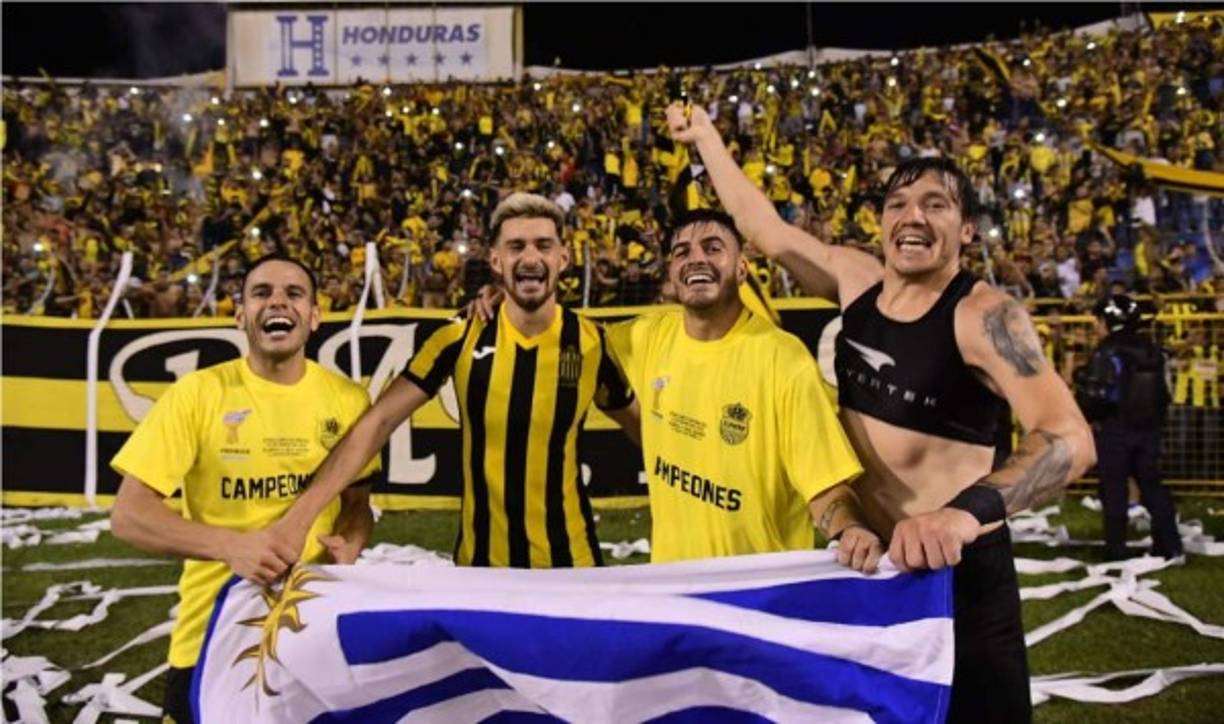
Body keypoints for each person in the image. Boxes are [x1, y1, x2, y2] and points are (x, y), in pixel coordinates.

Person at [667, 104, 1095, 723]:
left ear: (968, 231)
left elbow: (1069, 438)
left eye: (935, 204)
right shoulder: (855, 281)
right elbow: (764, 229)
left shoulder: (984, 316)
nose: (912, 216)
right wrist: (705, 136)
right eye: (898, 204)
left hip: (956, 582)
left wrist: (959, 516)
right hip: (865, 568)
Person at [268, 192, 640, 568]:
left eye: (543, 245)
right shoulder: (458, 336)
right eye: (516, 247)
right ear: (496, 260)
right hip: (481, 571)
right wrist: (299, 517)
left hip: (573, 568)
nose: (530, 257)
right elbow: (377, 423)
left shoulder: (593, 342)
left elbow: (643, 430)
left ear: (564, 258)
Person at [109, 254, 381, 724]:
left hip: (313, 630)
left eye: (294, 293)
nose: (279, 301)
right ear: (240, 315)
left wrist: (354, 535)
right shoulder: (196, 395)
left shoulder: (349, 399)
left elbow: (358, 501)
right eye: (261, 293)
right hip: (213, 632)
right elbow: (129, 515)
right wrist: (232, 547)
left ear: (314, 316)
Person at [605, 209, 882, 571]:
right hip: (672, 593)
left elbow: (825, 486)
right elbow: (572, 342)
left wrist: (849, 529)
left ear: (741, 269)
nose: (696, 259)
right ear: (672, 274)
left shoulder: (784, 361)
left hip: (756, 596)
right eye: (682, 252)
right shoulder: (645, 337)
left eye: (713, 247)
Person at [1076, 294, 1182, 561]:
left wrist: (1084, 413)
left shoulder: (1108, 350)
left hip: (1116, 429)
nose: (1095, 326)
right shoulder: (1153, 349)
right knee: (1154, 488)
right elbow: (1165, 393)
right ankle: (1170, 546)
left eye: (1097, 320)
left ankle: (1116, 550)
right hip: (1149, 431)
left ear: (1107, 320)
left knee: (1114, 491)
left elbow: (1098, 394)